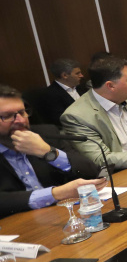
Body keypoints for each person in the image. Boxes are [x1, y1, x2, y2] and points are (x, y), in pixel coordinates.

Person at [0, 85, 103, 218]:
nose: (20, 120)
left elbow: (91, 171)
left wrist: (49, 152)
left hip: (61, 215)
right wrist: (56, 193)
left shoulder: (45, 134)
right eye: (8, 116)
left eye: (22, 112)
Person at [34, 58, 87, 126]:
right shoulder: (50, 95)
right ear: (65, 75)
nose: (82, 75)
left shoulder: (82, 87)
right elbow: (62, 120)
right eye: (77, 73)